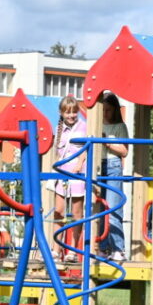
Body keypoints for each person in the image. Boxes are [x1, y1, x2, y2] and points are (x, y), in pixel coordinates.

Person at [52, 95, 88, 265]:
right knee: (59, 210)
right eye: (68, 112)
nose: (71, 115)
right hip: (62, 171)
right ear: (62, 113)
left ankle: (72, 249)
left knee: (76, 212)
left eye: (74, 112)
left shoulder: (83, 127)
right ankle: (56, 248)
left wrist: (80, 164)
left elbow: (86, 149)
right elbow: (57, 151)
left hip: (77, 172)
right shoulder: (59, 129)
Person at [96, 92, 129, 260]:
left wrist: (107, 142)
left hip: (113, 166)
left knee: (113, 207)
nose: (105, 113)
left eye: (108, 110)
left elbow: (124, 151)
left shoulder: (119, 127)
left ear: (115, 110)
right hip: (97, 166)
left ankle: (118, 248)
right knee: (101, 209)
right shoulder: (96, 124)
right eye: (103, 110)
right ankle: (102, 247)